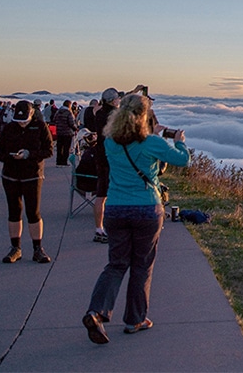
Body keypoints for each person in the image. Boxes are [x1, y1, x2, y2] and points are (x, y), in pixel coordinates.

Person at [82, 93, 189, 344]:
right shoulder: (151, 143)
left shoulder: (110, 142)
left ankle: (96, 311)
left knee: (116, 264)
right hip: (146, 209)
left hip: (116, 208)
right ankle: (135, 319)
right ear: (145, 117)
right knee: (142, 264)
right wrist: (178, 140)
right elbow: (184, 160)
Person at [0, 100, 54, 264]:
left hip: (32, 175)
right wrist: (10, 156)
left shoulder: (40, 127)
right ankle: (15, 248)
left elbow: (49, 150)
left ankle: (38, 249)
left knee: (33, 212)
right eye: (19, 121)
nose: (21, 124)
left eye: (24, 121)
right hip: (11, 175)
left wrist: (29, 154)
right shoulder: (9, 128)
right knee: (14, 211)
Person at [85, 88, 120, 242]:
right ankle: (113, 227)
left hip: (100, 155)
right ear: (113, 101)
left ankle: (99, 228)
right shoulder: (115, 116)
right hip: (112, 157)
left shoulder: (99, 113)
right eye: (118, 98)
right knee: (113, 193)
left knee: (101, 194)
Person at [53, 100, 79, 166]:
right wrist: (75, 128)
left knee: (59, 148)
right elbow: (71, 123)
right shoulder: (68, 112)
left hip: (59, 132)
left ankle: (58, 161)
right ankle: (64, 162)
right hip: (67, 133)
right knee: (66, 148)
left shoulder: (58, 112)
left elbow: (54, 119)